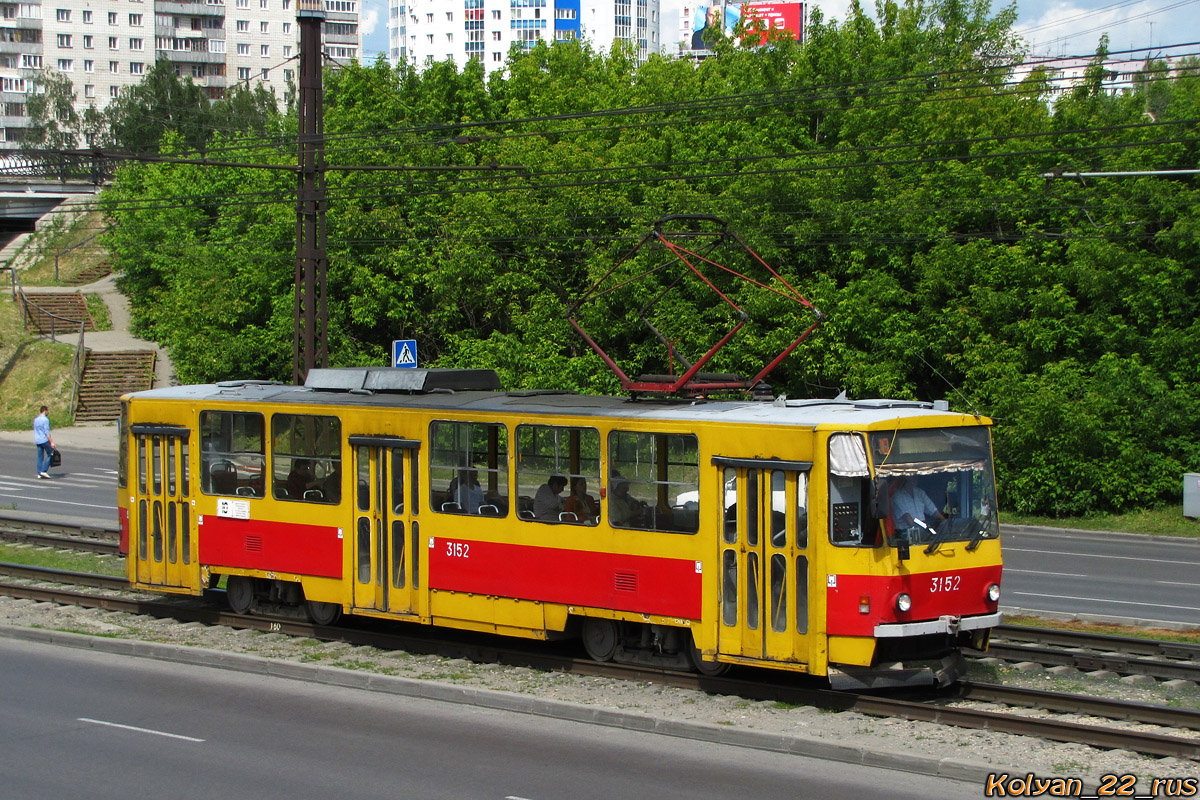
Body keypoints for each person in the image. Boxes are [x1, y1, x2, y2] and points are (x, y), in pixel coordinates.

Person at [890, 475, 944, 540]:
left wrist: (946, 525)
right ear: (905, 478)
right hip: (905, 534)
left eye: (915, 476)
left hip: (923, 530)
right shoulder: (897, 496)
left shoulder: (919, 493)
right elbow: (909, 520)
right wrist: (928, 531)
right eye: (911, 476)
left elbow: (934, 511)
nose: (914, 478)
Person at [33, 405, 54, 479]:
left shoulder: (36, 419)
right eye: (48, 410)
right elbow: (47, 432)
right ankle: (43, 471)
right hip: (44, 440)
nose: (48, 412)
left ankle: (39, 473)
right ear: (45, 410)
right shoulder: (45, 420)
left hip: (38, 440)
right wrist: (51, 442)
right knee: (51, 453)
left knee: (40, 457)